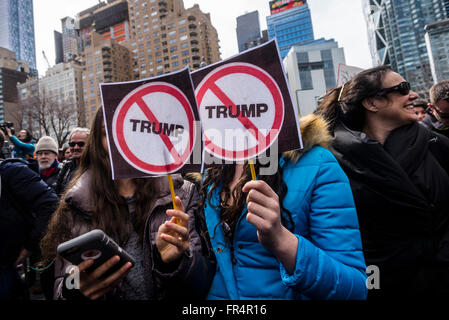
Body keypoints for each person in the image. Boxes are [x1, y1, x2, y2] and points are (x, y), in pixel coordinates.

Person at [182, 113, 367, 300]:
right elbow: (219, 268)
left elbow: (355, 290)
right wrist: (181, 259)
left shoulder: (316, 164)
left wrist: (283, 242)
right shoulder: (214, 169)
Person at [40, 108, 213, 300]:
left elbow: (200, 286)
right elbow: (60, 287)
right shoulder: (76, 205)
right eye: (108, 133)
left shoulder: (180, 194)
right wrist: (75, 292)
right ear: (97, 142)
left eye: (129, 131)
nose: (120, 143)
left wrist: (176, 263)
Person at [315, 65, 449, 297]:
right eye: (402, 89)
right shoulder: (336, 163)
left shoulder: (438, 145)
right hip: (380, 283)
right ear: (372, 103)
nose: (413, 94)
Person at [0, 130, 59, 300]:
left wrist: (29, 245)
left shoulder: (62, 172)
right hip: (35, 234)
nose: (43, 156)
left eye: (47, 153)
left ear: (55, 155)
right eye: (39, 153)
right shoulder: (32, 172)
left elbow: (51, 204)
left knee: (53, 279)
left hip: (51, 238)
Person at [54, 127, 89, 195]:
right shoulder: (66, 167)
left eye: (81, 144)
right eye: (72, 144)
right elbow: (58, 192)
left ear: (90, 145)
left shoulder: (97, 167)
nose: (76, 147)